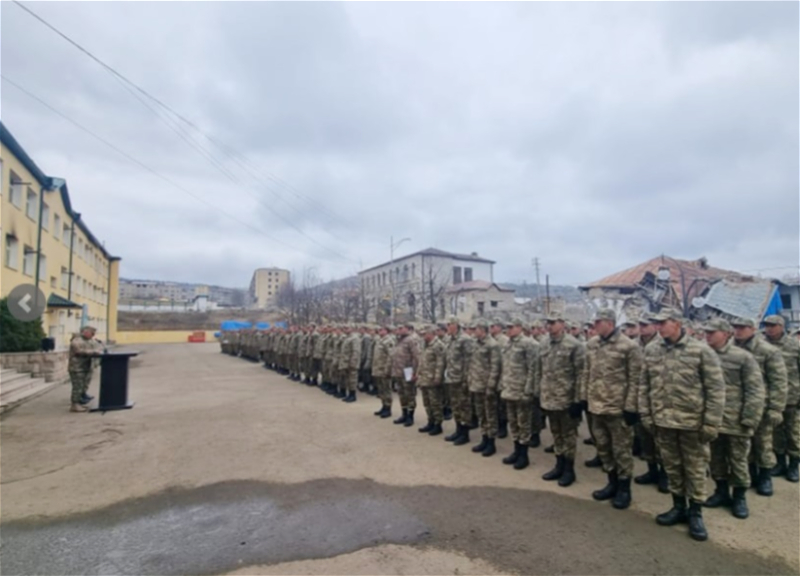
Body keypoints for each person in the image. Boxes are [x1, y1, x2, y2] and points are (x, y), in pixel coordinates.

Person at [640, 308, 725, 542]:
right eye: (657, 323)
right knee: (672, 466)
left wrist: (711, 423)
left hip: (692, 424)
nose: (659, 327)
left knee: (695, 468)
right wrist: (646, 414)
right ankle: (678, 506)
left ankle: (695, 513)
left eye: (663, 323)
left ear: (677, 323)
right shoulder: (652, 350)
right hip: (663, 421)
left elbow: (716, 390)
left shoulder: (701, 351)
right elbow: (644, 385)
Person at [702, 318, 765, 519]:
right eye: (706, 332)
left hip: (736, 420)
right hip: (711, 419)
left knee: (738, 460)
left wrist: (750, 418)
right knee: (716, 459)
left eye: (712, 332)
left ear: (725, 333)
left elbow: (755, 390)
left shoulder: (742, 357)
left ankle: (739, 497)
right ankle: (721, 491)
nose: (708, 335)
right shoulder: (703, 354)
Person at [581, 308, 642, 510]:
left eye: (598, 322)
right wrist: (583, 398)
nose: (595, 326)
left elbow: (635, 379)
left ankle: (624, 489)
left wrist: (631, 408)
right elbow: (586, 372)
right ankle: (612, 482)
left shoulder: (629, 346)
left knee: (621, 450)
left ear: (609, 323)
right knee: (603, 448)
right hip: (596, 407)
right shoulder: (592, 344)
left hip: (618, 409)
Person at [732, 317, 788, 497]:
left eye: (742, 327)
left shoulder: (767, 350)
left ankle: (765, 476)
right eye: (736, 327)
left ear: (753, 329)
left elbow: (778, 381)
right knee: (742, 444)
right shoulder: (729, 348)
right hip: (735, 405)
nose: (738, 331)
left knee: (763, 443)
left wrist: (776, 408)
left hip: (761, 405)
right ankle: (750, 474)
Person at [538, 312, 585, 487]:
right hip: (549, 398)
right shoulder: (544, 343)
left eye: (553, 322)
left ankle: (569, 469)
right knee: (556, 434)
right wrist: (540, 394)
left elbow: (581, 374)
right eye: (548, 323)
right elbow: (540, 371)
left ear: (562, 324)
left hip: (566, 399)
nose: (549, 326)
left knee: (568, 436)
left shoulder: (574, 345)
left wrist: (578, 400)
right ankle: (559, 465)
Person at [762, 315, 800, 483]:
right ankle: (780, 462)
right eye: (767, 325)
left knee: (793, 432)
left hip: (792, 395)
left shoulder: (794, 345)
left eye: (773, 325)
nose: (769, 328)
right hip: (770, 397)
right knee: (776, 432)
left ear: (781, 326)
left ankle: (794, 464)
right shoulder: (762, 345)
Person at [500, 318, 540, 470]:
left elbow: (533, 369)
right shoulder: (508, 343)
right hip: (509, 390)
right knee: (513, 423)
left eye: (511, 327)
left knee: (524, 424)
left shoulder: (529, 344)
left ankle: (524, 455)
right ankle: (516, 451)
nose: (508, 330)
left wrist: (529, 391)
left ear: (519, 327)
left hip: (522, 391)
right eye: (507, 327)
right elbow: (505, 367)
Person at [467, 319, 502, 455]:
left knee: (490, 415)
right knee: (481, 414)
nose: (473, 332)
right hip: (476, 385)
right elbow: (472, 364)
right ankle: (484, 438)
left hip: (487, 386)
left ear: (482, 330)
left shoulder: (492, 345)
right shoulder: (475, 343)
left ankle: (491, 443)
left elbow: (495, 367)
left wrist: (491, 386)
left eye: (476, 329)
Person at [444, 317, 475, 444]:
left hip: (461, 379)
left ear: (456, 325)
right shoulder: (450, 339)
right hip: (452, 378)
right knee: (455, 406)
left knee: (464, 406)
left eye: (449, 324)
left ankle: (465, 433)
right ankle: (458, 430)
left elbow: (469, 361)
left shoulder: (465, 339)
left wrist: (466, 379)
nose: (447, 327)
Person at [417, 325, 447, 436]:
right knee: (427, 402)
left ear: (431, 334)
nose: (423, 336)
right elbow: (422, 361)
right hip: (425, 378)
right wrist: (418, 374)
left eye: (424, 334)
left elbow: (440, 363)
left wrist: (438, 378)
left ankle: (438, 424)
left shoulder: (438, 345)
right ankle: (431, 421)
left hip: (433, 379)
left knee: (435, 403)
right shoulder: (425, 345)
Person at [68, 326, 104, 412]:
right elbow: (78, 351)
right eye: (92, 333)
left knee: (83, 386)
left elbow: (98, 347)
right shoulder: (77, 340)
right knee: (78, 387)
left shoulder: (89, 340)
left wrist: (98, 349)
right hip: (77, 368)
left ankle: (79, 402)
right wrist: (93, 352)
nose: (93, 335)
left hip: (85, 366)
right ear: (86, 332)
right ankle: (75, 405)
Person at [390, 323, 420, 427]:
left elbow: (416, 357)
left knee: (409, 394)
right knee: (401, 394)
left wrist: (415, 372)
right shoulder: (399, 340)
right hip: (398, 371)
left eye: (401, 328)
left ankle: (410, 416)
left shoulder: (411, 340)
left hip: (408, 370)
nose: (398, 330)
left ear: (407, 329)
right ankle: (404, 413)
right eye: (398, 328)